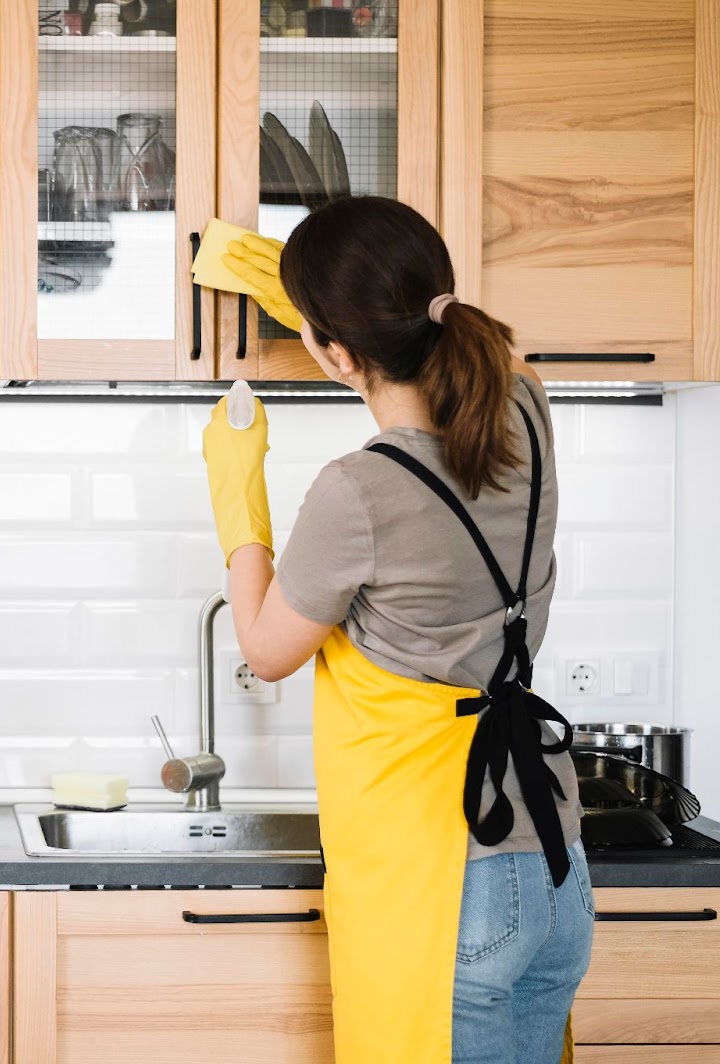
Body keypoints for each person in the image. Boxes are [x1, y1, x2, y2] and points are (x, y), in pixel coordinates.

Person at [202, 197, 592, 1064]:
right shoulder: (528, 410)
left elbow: (266, 651)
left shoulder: (358, 492)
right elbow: (471, 345)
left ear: (335, 351)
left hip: (445, 884)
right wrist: (336, 303)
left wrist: (237, 496)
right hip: (553, 864)